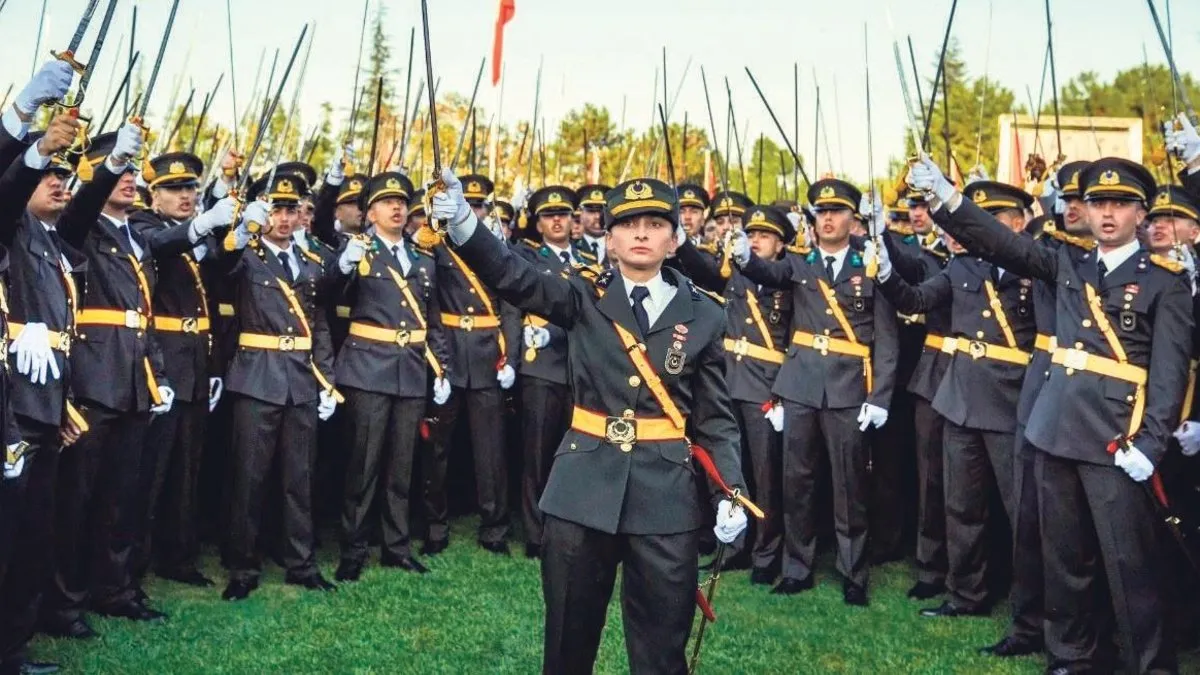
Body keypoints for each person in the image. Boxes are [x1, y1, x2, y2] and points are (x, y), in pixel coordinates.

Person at [429, 169, 748, 674]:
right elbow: (514, 275)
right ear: (610, 238)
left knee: (662, 653)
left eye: (654, 223)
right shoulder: (582, 294)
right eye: (628, 224)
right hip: (582, 491)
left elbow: (715, 419)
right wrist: (466, 223)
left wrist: (730, 490)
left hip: (666, 498)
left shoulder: (705, 314)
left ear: (674, 238)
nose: (641, 233)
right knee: (566, 647)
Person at [909, 154, 1191, 674]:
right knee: (1065, 559)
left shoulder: (1165, 281)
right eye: (1098, 203)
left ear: (1141, 214)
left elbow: (1170, 374)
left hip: (1116, 439)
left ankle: (1150, 665)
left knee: (1130, 564)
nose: (1107, 214)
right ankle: (1070, 657)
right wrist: (948, 199)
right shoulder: (1067, 262)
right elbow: (1000, 243)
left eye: (1121, 205)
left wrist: (1151, 445)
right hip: (1055, 429)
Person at [44, 121, 204, 631]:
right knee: (78, 499)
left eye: (133, 169)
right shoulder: (81, 228)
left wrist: (156, 375)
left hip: (135, 379)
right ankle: (64, 603)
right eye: (120, 170)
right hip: (93, 379)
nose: (131, 179)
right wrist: (105, 168)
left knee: (122, 496)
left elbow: (143, 314)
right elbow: (79, 207)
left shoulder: (138, 236)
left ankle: (116, 588)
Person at [872, 181, 1039, 620]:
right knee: (961, 505)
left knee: (1021, 511)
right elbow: (918, 298)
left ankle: (1032, 608)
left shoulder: (1035, 269)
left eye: (994, 221)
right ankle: (966, 594)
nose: (981, 230)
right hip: (961, 397)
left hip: (1012, 400)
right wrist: (886, 273)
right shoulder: (963, 267)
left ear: (1018, 224)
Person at [731, 178, 899, 606]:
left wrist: (879, 398)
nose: (827, 218)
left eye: (836, 211)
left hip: (847, 390)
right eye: (820, 212)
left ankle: (854, 573)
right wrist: (745, 256)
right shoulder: (799, 264)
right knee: (796, 484)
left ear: (852, 220)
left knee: (849, 489)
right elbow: (766, 271)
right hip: (800, 386)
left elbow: (887, 339)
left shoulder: (870, 265)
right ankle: (796, 568)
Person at [217, 174, 339, 601]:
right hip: (256, 375)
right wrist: (238, 231)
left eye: (291, 210)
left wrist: (327, 378)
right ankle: (242, 567)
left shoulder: (309, 263)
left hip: (301, 379)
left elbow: (319, 325)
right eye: (275, 209)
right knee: (249, 479)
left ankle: (301, 564)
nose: (284, 218)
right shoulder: (245, 256)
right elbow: (218, 267)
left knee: (298, 479)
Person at [673, 205, 794, 585]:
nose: (756, 241)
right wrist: (679, 238)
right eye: (752, 234)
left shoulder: (790, 279)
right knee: (731, 472)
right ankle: (736, 547)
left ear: (781, 244)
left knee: (766, 476)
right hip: (730, 380)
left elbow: (796, 341)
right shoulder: (735, 272)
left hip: (766, 387)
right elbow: (704, 270)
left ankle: (767, 554)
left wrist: (785, 393)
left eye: (764, 236)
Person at [129, 152, 232, 588]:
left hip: (194, 359)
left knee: (187, 469)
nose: (186, 196)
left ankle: (179, 555)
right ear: (154, 196)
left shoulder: (192, 235)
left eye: (190, 188)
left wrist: (232, 231)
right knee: (151, 470)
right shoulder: (143, 225)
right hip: (163, 360)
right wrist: (204, 225)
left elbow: (218, 275)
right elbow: (164, 245)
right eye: (174, 189)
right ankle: (133, 563)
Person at [512, 186, 586, 559]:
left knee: (578, 455)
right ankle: (535, 531)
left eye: (564, 214)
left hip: (581, 368)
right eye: (548, 215)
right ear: (537, 222)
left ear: (574, 220)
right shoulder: (528, 255)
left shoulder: (589, 257)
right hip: (542, 365)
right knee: (538, 455)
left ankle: (571, 526)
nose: (557, 220)